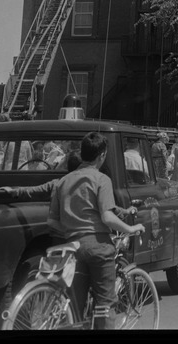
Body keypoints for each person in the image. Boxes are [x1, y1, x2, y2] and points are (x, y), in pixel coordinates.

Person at [46, 132, 145, 330]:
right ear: (102, 155)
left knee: (75, 306)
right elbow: (107, 217)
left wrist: (72, 229)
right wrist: (131, 228)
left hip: (72, 248)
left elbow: (52, 221)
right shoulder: (101, 179)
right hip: (98, 246)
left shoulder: (62, 182)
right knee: (105, 303)